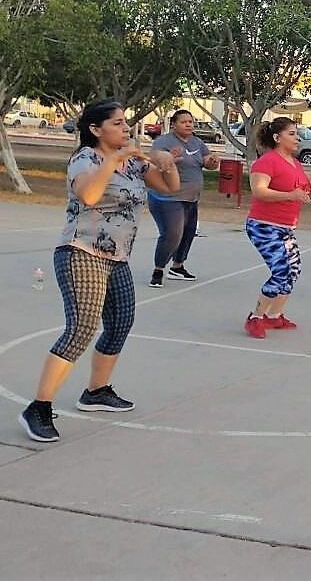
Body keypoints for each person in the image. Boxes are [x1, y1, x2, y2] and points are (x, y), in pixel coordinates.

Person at [18, 99, 180, 442]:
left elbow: (170, 188)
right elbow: (89, 195)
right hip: (81, 253)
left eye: (126, 123)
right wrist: (114, 159)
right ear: (96, 129)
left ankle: (96, 391)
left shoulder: (134, 164)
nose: (126, 129)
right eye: (118, 123)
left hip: (116, 258)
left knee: (121, 322)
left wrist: (165, 162)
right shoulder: (85, 160)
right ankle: (39, 407)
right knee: (81, 328)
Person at [243, 117, 311, 339]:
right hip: (263, 226)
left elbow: (301, 193)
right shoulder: (266, 162)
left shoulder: (294, 163)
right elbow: (259, 191)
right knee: (281, 272)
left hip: (285, 228)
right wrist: (292, 194)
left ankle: (274, 315)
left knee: (293, 270)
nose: (297, 138)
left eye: (296, 133)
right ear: (277, 137)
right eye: (291, 133)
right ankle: (256, 317)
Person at [147, 109, 220, 287]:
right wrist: (169, 158)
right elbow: (153, 161)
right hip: (169, 198)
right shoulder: (164, 142)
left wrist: (212, 162)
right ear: (173, 124)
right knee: (172, 234)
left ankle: (177, 267)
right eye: (184, 122)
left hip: (191, 197)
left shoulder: (197, 142)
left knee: (188, 233)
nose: (188, 124)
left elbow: (207, 162)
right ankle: (158, 270)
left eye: (191, 122)